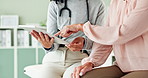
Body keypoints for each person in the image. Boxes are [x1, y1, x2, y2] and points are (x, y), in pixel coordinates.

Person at [55, 0, 148, 78]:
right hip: (121, 66)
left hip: (144, 66)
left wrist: (82, 27)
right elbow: (107, 39)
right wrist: (91, 62)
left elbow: (122, 33)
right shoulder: (116, 2)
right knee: (82, 76)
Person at [25, 0, 105, 78]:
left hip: (80, 59)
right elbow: (52, 40)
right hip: (53, 59)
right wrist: (47, 45)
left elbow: (99, 39)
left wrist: (85, 43)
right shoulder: (55, 3)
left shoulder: (97, 4)